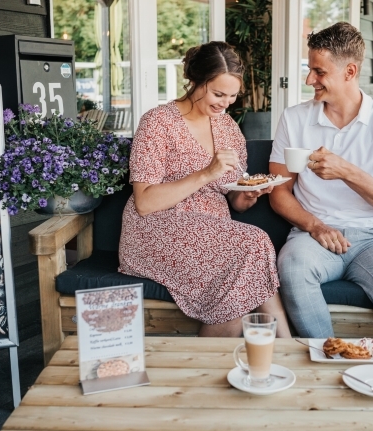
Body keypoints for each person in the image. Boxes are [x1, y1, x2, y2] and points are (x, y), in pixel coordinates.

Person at [269, 23, 373, 339]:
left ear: (349, 71)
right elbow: (279, 191)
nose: (309, 80)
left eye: (319, 72)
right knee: (292, 268)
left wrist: (346, 171)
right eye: (309, 69)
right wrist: (316, 226)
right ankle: (327, 357)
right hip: (314, 236)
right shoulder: (294, 118)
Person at [119, 41, 291, 338]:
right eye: (217, 93)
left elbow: (234, 200)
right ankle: (287, 345)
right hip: (155, 230)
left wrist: (247, 195)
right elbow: (145, 203)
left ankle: (274, 350)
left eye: (233, 96)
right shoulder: (157, 122)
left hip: (215, 235)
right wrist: (205, 173)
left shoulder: (228, 129)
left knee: (242, 269)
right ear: (195, 81)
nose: (225, 103)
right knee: (253, 243)